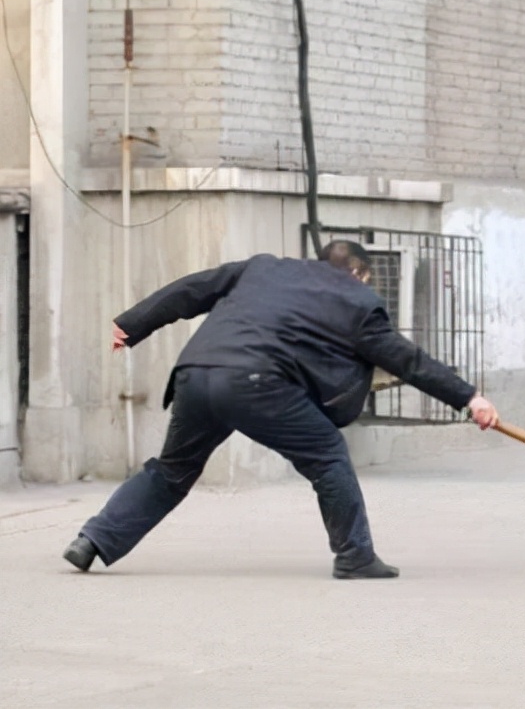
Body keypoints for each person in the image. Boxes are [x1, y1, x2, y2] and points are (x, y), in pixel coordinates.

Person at [62, 240, 499, 579]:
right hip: (259, 383)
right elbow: (409, 361)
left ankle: (94, 540)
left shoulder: (262, 268)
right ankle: (355, 557)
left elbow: (192, 289)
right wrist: (468, 398)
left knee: (171, 471)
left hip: (195, 374)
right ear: (360, 273)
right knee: (327, 455)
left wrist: (133, 323)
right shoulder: (357, 300)